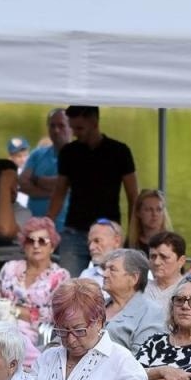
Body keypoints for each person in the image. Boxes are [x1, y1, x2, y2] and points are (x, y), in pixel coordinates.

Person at [49, 105, 137, 277]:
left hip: (108, 232)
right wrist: (47, 224)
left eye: (80, 128)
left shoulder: (119, 151)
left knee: (113, 281)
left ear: (94, 122)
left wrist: (132, 234)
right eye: (73, 128)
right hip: (74, 231)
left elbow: (133, 196)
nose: (75, 133)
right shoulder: (68, 152)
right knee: (69, 285)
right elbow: (59, 193)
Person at [0, 216, 70, 331]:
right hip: (0, 329)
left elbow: (55, 317)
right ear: (24, 246)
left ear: (52, 247)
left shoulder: (61, 276)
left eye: (42, 241)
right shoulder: (10, 267)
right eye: (30, 241)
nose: (36, 245)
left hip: (36, 338)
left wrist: (13, 310)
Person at [102, 248, 166, 352]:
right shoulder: (97, 305)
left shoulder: (151, 312)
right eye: (105, 269)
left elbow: (142, 357)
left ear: (134, 278)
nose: (104, 274)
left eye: (112, 269)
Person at [19, 108, 72, 228]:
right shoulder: (37, 154)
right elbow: (22, 183)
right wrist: (59, 192)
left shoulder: (80, 155)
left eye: (61, 126)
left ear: (71, 128)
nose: (56, 130)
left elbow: (68, 183)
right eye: (52, 126)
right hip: (35, 228)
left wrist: (36, 180)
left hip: (66, 229)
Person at [144, 230, 187, 307]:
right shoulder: (141, 288)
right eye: (153, 257)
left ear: (181, 261)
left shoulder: (190, 290)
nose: (156, 262)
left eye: (164, 257)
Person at [77, 219, 122, 288]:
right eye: (89, 243)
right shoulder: (86, 276)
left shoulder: (133, 273)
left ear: (117, 241)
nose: (91, 247)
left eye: (97, 241)